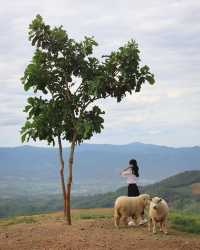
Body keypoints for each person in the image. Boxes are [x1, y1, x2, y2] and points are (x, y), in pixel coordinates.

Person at [120, 158, 147, 225]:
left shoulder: (130, 171)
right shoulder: (136, 170)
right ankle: (142, 219)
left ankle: (132, 221)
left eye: (129, 164)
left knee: (131, 204)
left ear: (131, 164)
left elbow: (121, 173)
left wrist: (127, 167)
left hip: (131, 187)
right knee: (139, 203)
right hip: (135, 187)